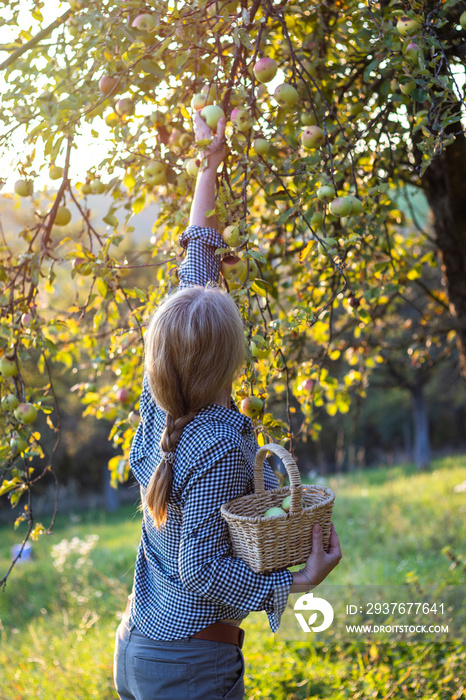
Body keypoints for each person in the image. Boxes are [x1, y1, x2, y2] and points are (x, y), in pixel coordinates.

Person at [113, 111, 342, 700]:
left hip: (145, 646)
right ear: (229, 359)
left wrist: (208, 168)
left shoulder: (162, 406)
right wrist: (294, 582)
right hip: (189, 666)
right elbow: (201, 570)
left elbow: (197, 264)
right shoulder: (215, 446)